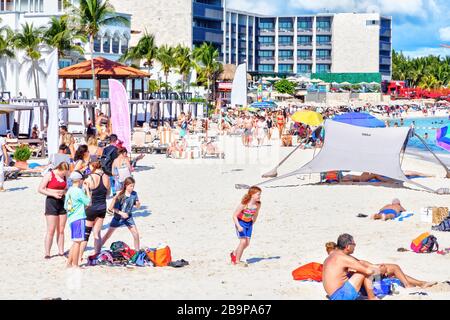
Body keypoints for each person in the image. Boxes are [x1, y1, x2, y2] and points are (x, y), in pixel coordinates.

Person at [323, 234, 379, 300]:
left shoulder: (335, 255)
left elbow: (359, 262)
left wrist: (374, 266)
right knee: (364, 272)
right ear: (348, 246)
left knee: (357, 270)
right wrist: (377, 270)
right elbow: (368, 271)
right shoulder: (344, 258)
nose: (355, 246)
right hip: (340, 296)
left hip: (333, 295)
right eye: (354, 244)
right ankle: (372, 298)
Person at [38, 162, 70, 259]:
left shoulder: (64, 177)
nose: (64, 175)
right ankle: (47, 253)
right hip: (51, 202)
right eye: (64, 173)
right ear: (60, 169)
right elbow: (40, 189)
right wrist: (53, 194)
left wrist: (64, 192)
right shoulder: (50, 174)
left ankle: (61, 251)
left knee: (61, 230)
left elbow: (66, 188)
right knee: (51, 229)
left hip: (62, 201)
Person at [80, 158, 110, 257]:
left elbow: (85, 196)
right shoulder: (106, 177)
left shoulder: (89, 178)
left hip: (91, 208)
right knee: (97, 233)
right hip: (102, 207)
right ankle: (97, 255)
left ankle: (79, 256)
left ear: (92, 165)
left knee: (86, 234)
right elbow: (108, 194)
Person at [101, 177, 141, 251]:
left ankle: (137, 251)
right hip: (118, 218)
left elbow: (137, 206)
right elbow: (114, 209)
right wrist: (121, 213)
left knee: (136, 234)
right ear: (126, 185)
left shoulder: (134, 194)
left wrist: (138, 204)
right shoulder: (120, 195)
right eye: (131, 186)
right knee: (107, 235)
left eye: (133, 186)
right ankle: (98, 249)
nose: (132, 188)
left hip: (128, 217)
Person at [64, 171, 91, 268]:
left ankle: (69, 263)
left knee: (75, 241)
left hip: (71, 218)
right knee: (78, 242)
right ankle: (75, 264)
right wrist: (87, 190)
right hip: (79, 218)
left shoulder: (69, 190)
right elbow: (88, 202)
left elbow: (66, 206)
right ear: (79, 180)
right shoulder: (78, 191)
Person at [230, 186, 262, 266]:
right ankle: (237, 261)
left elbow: (256, 213)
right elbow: (234, 215)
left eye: (260, 194)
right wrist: (239, 226)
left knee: (247, 244)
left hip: (249, 224)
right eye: (258, 194)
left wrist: (253, 221)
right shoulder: (244, 204)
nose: (260, 196)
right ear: (252, 195)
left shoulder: (258, 204)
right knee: (243, 241)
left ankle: (234, 253)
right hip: (240, 223)